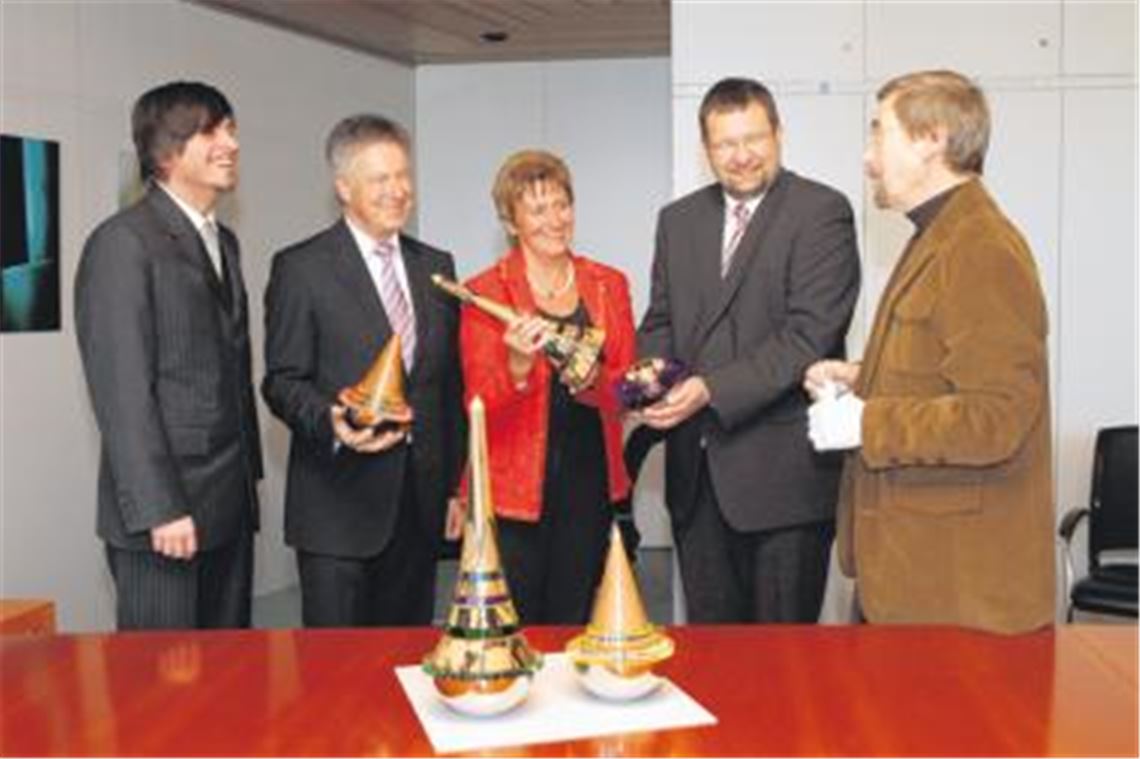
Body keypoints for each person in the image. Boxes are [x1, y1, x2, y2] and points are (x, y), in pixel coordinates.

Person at [804, 70, 1055, 633]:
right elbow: (945, 371)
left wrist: (867, 422)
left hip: (960, 598)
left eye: (879, 136)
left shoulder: (982, 248)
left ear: (931, 139)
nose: (868, 159)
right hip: (916, 583)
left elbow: (997, 417)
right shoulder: (940, 234)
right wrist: (862, 377)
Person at [636, 77, 861, 623]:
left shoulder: (820, 212)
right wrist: (652, 385)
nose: (740, 156)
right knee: (714, 668)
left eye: (753, 138)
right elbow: (661, 321)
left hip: (783, 485)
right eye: (724, 144)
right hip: (696, 481)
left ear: (779, 133)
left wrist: (709, 389)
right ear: (705, 149)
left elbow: (807, 336)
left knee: (785, 672)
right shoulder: (678, 220)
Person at [262, 115, 464, 627]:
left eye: (403, 176)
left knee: (405, 667)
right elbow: (282, 379)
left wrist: (454, 489)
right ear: (343, 187)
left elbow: (446, 390)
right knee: (335, 677)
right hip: (336, 509)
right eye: (380, 179)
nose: (398, 190)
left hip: (418, 510)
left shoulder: (436, 267)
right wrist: (331, 419)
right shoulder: (301, 268)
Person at [75, 81, 262, 629]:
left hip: (228, 507)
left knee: (227, 680)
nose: (230, 143)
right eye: (211, 131)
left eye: (229, 129)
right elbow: (122, 391)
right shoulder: (123, 243)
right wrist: (161, 508)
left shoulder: (223, 241)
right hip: (165, 519)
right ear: (167, 150)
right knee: (161, 692)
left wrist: (247, 487)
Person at [459, 149, 636, 624]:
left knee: (576, 619)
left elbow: (624, 389)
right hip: (513, 488)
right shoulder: (484, 293)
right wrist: (518, 367)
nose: (555, 219)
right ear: (511, 222)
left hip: (588, 479)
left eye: (562, 204)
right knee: (515, 626)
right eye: (537, 210)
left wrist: (587, 377)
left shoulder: (608, 284)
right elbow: (475, 400)